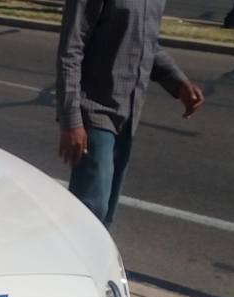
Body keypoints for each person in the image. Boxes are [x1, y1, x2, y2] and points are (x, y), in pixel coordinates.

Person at [56, 0, 204, 229]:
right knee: (91, 210)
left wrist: (178, 82)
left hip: (129, 114)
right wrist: (71, 120)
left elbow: (147, 45)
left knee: (107, 215)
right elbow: (71, 49)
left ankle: (99, 252)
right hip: (94, 112)